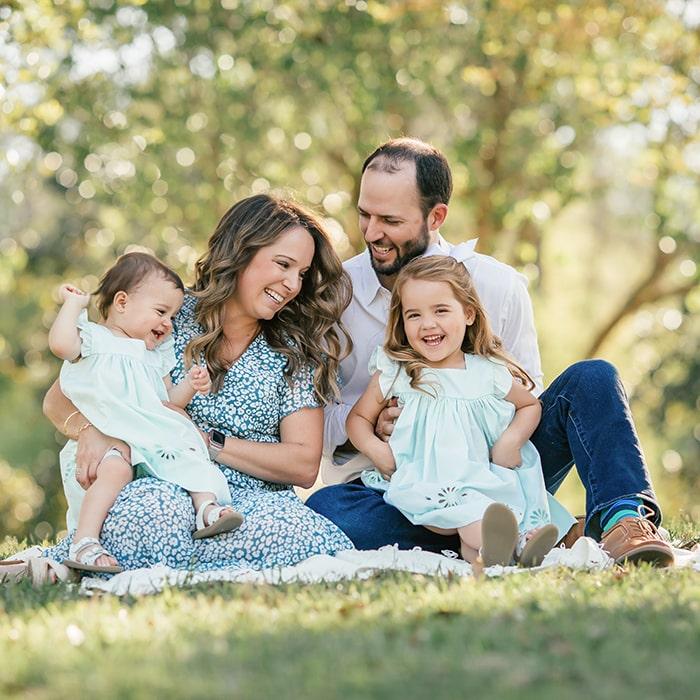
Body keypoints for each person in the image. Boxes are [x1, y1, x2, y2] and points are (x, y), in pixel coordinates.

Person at [307, 137, 674, 567]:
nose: (372, 233)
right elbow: (313, 422)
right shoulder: (333, 296)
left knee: (593, 378)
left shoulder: (498, 286)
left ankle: (622, 520)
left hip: (500, 472)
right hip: (403, 483)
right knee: (328, 511)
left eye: (390, 220)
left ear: (436, 216)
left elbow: (527, 397)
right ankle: (523, 533)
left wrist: (501, 444)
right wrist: (372, 427)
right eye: (364, 215)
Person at [40, 194, 354, 579]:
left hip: (251, 503)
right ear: (241, 251)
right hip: (164, 485)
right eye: (283, 264)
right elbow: (59, 400)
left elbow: (303, 464)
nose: (292, 284)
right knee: (149, 514)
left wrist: (206, 442)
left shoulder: (294, 351)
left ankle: (150, 564)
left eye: (302, 274)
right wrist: (93, 430)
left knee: (295, 535)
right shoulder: (168, 315)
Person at [346, 256, 573, 567]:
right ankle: (514, 547)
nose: (427, 324)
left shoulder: (487, 370)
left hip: (484, 475)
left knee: (483, 520)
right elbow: (358, 419)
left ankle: (494, 553)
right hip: (428, 481)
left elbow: (530, 404)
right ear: (402, 322)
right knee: (474, 515)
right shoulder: (397, 369)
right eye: (414, 315)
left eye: (440, 310)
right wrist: (376, 450)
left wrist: (511, 441)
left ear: (468, 313)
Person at [49, 253, 243, 574]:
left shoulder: (154, 355)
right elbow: (60, 345)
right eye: (161, 312)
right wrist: (72, 305)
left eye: (173, 315)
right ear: (122, 302)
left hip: (146, 437)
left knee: (189, 447)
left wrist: (191, 385)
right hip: (108, 438)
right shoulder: (95, 340)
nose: (168, 323)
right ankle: (84, 542)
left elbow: (169, 401)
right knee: (115, 470)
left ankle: (206, 507)